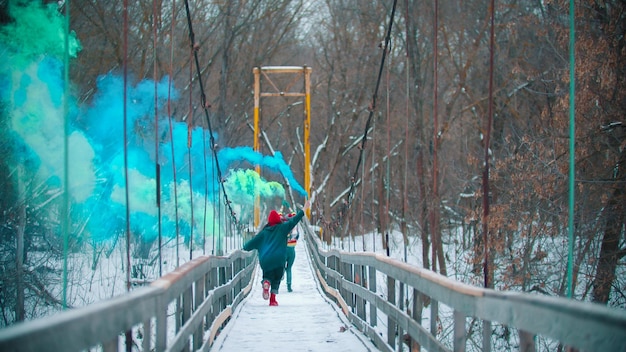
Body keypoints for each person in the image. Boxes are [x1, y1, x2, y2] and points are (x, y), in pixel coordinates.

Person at [243, 199, 310, 306]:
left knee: (267, 274)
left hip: (266, 260)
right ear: (278, 220)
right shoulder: (283, 228)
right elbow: (294, 221)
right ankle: (272, 300)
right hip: (279, 260)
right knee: (277, 278)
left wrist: (245, 244)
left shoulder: (263, 233)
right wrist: (304, 210)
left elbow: (247, 246)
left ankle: (266, 282)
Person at [284, 213, 299, 292]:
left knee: (282, 266)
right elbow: (297, 237)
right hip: (292, 250)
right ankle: (289, 286)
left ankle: (281, 274)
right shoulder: (295, 229)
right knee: (289, 268)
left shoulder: (284, 227)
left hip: (283, 250)